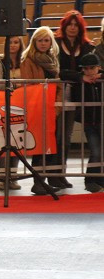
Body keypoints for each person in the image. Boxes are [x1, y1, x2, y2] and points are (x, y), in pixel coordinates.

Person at [54, 10, 95, 190]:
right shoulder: (55, 43)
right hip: (58, 94)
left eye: (75, 25)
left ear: (80, 28)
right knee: (57, 136)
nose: (72, 27)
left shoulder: (86, 46)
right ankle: (54, 175)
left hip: (77, 97)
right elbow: (58, 71)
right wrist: (79, 77)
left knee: (66, 137)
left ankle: (60, 174)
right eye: (69, 24)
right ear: (64, 26)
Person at [20, 26, 62, 196]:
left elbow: (58, 85)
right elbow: (29, 86)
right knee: (40, 147)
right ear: (34, 42)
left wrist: (57, 105)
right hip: (37, 107)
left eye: (46, 40)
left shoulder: (53, 59)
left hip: (53, 107)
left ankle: (41, 181)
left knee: (49, 146)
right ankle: (38, 182)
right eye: (40, 40)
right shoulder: (28, 60)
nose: (43, 43)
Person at [0, 36, 25, 190]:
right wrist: (14, 85)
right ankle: (1, 177)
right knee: (3, 141)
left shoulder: (24, 60)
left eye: (16, 42)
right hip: (3, 104)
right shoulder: (0, 61)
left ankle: (13, 176)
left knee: (18, 141)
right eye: (10, 42)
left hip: (22, 104)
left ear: (21, 44)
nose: (13, 45)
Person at [74, 54, 103, 193]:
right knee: (95, 151)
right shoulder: (80, 81)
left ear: (99, 68)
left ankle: (100, 179)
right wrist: (81, 78)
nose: (89, 71)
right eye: (86, 69)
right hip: (89, 123)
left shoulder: (101, 80)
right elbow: (64, 74)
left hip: (101, 120)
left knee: (101, 151)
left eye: (92, 68)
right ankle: (90, 179)